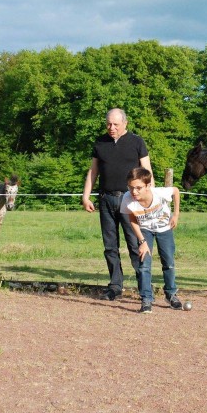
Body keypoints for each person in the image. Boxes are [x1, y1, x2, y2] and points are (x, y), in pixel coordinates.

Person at [82, 108, 152, 301]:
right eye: (108, 124)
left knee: (135, 244)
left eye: (115, 124)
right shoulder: (100, 143)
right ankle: (115, 286)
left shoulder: (137, 142)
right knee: (110, 247)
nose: (111, 128)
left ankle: (144, 287)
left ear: (125, 123)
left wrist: (148, 199)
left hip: (130, 200)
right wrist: (86, 196)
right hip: (106, 200)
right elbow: (93, 171)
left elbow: (147, 171)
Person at [120, 167, 184, 313]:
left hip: (164, 229)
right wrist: (142, 242)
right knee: (144, 265)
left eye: (138, 188)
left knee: (168, 263)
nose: (134, 192)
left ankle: (171, 294)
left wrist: (176, 214)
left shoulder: (159, 193)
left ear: (148, 185)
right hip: (144, 230)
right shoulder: (127, 198)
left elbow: (175, 191)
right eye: (130, 187)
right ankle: (146, 299)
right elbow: (132, 219)